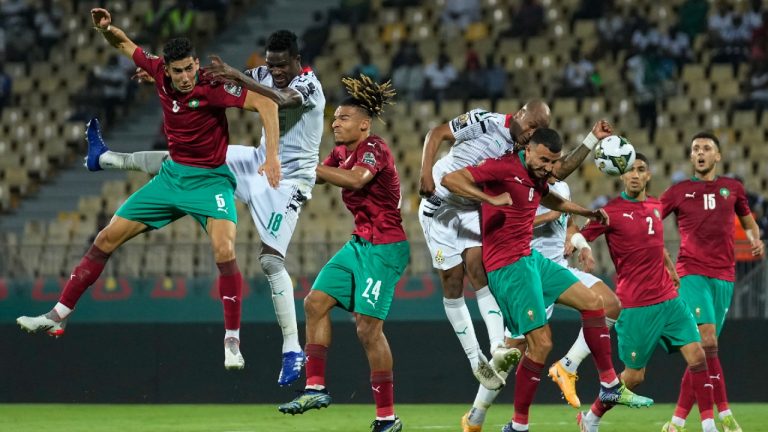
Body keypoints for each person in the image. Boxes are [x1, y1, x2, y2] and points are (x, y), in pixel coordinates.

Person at [15, 8, 281, 371]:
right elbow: (124, 43)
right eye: (178, 71)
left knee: (224, 248)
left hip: (211, 181)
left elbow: (266, 103)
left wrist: (273, 157)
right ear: (167, 70)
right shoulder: (157, 71)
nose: (186, 77)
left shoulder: (213, 86)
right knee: (106, 238)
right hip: (171, 178)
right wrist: (105, 29)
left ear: (196, 63)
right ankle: (58, 314)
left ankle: (232, 340)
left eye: (190, 68)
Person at [83, 30, 325, 386]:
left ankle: (292, 349)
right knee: (188, 160)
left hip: (288, 181)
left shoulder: (309, 86)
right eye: (269, 65)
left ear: (295, 60)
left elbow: (279, 99)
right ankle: (105, 159)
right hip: (257, 162)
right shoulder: (265, 75)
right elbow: (214, 85)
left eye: (280, 65)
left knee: (271, 261)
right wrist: (158, 76)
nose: (274, 71)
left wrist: (239, 74)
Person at [442, 128, 653, 432]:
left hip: (531, 260)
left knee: (595, 304)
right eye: (544, 160)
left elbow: (551, 199)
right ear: (527, 150)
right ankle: (517, 425)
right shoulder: (502, 166)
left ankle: (609, 384)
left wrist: (588, 213)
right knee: (539, 345)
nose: (549, 168)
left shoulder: (538, 175)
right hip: (509, 267)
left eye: (553, 163)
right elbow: (451, 179)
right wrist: (489, 198)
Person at [419, 102, 616, 392]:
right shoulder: (484, 121)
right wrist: (425, 173)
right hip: (440, 206)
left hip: (473, 207)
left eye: (538, 130)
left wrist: (590, 140)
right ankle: (476, 359)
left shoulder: (523, 154)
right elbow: (436, 133)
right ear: (521, 114)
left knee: (477, 268)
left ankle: (492, 350)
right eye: (532, 126)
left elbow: (555, 172)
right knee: (452, 281)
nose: (532, 134)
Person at [277, 76, 407, 432]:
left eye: (344, 117)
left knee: (367, 329)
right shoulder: (340, 153)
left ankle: (387, 417)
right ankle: (315, 388)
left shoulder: (373, 148)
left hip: (385, 248)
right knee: (315, 303)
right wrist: (286, 164)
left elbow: (356, 180)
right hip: (359, 244)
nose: (335, 122)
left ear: (364, 124)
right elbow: (320, 175)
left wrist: (310, 167)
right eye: (334, 118)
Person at [460, 173, 623, 431]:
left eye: (556, 160)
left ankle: (567, 366)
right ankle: (476, 414)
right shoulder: (522, 186)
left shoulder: (563, 187)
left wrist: (580, 244)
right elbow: (509, 226)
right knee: (515, 349)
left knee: (609, 304)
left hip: (557, 268)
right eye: (549, 160)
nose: (554, 166)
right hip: (527, 270)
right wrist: (549, 215)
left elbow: (569, 225)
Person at [571, 154, 718, 432]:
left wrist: (671, 269)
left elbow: (654, 243)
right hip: (635, 306)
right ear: (622, 176)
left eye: (641, 170)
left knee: (699, 356)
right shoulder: (610, 212)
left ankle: (708, 426)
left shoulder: (655, 205)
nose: (635, 175)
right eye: (630, 170)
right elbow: (579, 235)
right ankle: (591, 417)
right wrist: (584, 248)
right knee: (634, 377)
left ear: (648, 175)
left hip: (669, 301)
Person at [659, 132, 764, 432]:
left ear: (718, 156)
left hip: (724, 277)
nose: (701, 153)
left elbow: (748, 221)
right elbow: (651, 217)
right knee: (707, 340)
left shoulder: (733, 189)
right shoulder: (678, 191)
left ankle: (677, 422)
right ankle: (723, 415)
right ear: (691, 157)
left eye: (707, 148)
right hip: (691, 273)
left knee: (703, 350)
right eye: (696, 149)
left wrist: (756, 239)